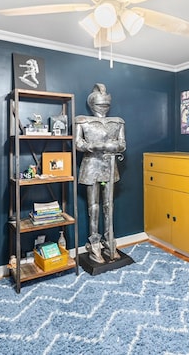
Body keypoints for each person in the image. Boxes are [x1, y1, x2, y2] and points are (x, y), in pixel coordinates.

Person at [75, 83, 126, 263]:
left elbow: (122, 144)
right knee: (93, 206)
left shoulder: (117, 122)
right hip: (91, 165)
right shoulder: (83, 121)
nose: (103, 108)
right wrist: (98, 146)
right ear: (92, 104)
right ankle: (94, 242)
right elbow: (78, 144)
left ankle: (109, 238)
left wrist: (115, 146)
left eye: (106, 105)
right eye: (100, 104)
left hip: (110, 165)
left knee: (108, 204)